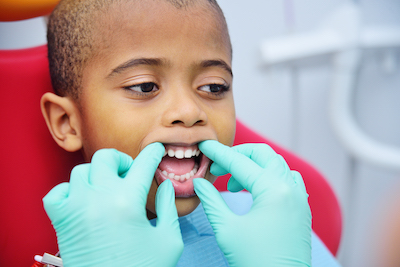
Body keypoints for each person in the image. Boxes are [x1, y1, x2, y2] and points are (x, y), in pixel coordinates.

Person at [40, 0, 339, 266]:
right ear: (67, 122)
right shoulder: (86, 252)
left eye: (213, 87)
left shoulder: (274, 225)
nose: (189, 111)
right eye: (145, 86)